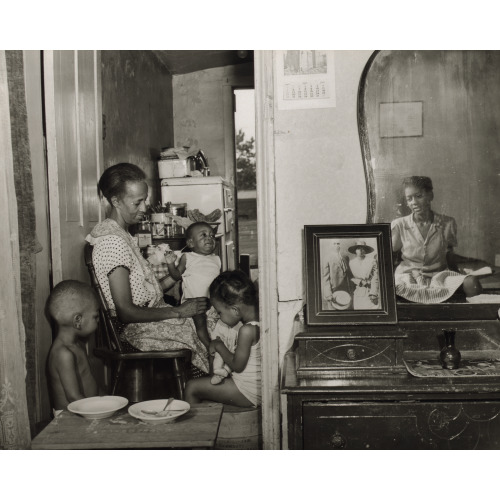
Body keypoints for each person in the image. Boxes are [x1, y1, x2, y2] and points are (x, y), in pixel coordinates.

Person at [85, 163, 214, 374]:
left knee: (210, 318)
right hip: (133, 331)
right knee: (203, 332)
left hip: (149, 317)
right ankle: (206, 388)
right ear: (116, 201)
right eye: (137, 202)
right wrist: (179, 310)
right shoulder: (111, 241)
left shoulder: (123, 234)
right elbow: (126, 312)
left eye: (144, 200)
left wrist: (176, 277)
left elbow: (144, 291)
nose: (144, 208)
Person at [391, 175, 483, 303]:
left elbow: (449, 255)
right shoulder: (399, 225)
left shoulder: (448, 223)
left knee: (471, 282)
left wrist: (460, 275)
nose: (414, 202)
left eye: (419, 196)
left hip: (438, 276)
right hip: (408, 276)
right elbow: (390, 257)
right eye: (409, 198)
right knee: (393, 288)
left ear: (430, 196)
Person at [185, 270, 261, 407]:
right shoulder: (260, 321)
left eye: (220, 312)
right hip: (254, 387)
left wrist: (219, 345)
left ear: (235, 310)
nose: (220, 317)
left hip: (247, 391)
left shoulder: (247, 330)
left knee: (192, 387)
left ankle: (196, 428)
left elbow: (237, 366)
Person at [46, 280, 103, 414]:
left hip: (84, 410)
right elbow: (73, 397)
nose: (98, 320)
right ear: (78, 320)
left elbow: (89, 382)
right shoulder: (63, 354)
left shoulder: (77, 345)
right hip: (69, 417)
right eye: (95, 316)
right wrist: (96, 413)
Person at [165, 221, 221, 350]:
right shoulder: (188, 257)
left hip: (212, 301)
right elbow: (176, 276)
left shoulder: (216, 259)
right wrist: (170, 264)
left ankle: (222, 345)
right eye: (203, 235)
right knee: (200, 323)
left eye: (212, 235)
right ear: (191, 243)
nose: (209, 238)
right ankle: (209, 347)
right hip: (193, 302)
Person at [348, 240, 380, 310]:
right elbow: (350, 277)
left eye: (363, 248)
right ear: (355, 250)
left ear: (365, 250)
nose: (361, 250)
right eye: (359, 248)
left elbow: (375, 277)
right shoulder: (351, 263)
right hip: (358, 291)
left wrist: (373, 293)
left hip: (370, 291)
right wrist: (359, 281)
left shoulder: (371, 261)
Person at [322, 239, 353, 310]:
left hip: (345, 291)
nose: (336, 246)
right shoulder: (327, 258)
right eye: (334, 244)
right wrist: (328, 294)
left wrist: (351, 290)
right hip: (334, 291)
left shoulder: (345, 257)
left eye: (338, 243)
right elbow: (325, 277)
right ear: (331, 246)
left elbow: (348, 275)